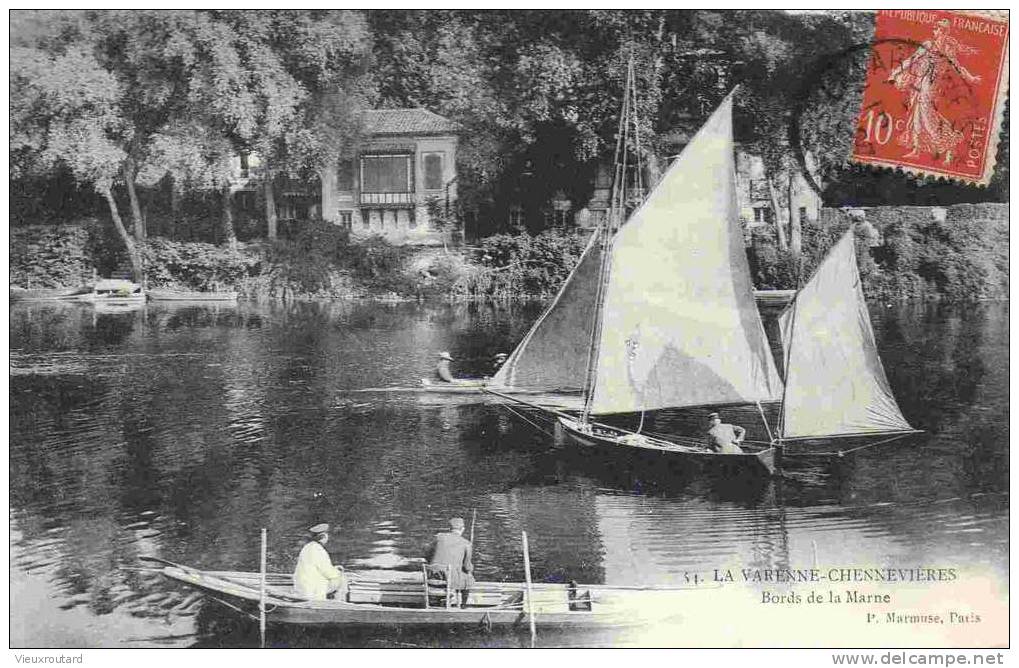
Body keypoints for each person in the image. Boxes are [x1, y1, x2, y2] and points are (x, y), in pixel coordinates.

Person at [425, 517, 475, 607]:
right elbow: (467, 567)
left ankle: (437, 600)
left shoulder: (438, 537)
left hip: (432, 577)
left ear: (449, 529)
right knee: (469, 578)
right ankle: (463, 605)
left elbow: (427, 555)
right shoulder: (466, 543)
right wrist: (470, 569)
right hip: (450, 579)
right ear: (462, 529)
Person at [293, 523, 346, 601]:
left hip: (302, 586)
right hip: (312, 590)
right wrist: (338, 572)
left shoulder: (308, 547)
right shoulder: (318, 550)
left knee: (336, 576)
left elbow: (317, 567)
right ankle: (339, 604)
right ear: (324, 536)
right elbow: (328, 572)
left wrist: (334, 568)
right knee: (341, 579)